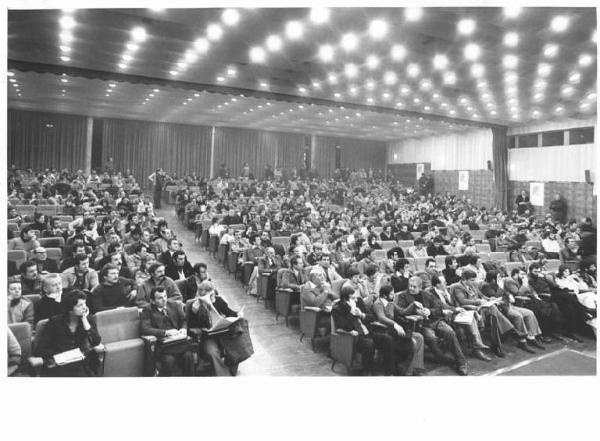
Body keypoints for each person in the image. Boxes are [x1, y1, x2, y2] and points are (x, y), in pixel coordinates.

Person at [396, 276, 468, 375]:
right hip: (420, 324)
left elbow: (439, 308)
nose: (411, 288)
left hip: (434, 320)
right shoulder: (403, 296)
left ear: (420, 288)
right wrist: (416, 311)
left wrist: (429, 311)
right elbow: (401, 312)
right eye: (410, 286)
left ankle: (461, 363)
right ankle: (442, 358)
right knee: (431, 337)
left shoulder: (427, 294)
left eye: (414, 287)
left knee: (450, 332)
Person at [33, 290, 102, 377]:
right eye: (80, 305)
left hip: (79, 364)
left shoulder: (88, 320)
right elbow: (40, 350)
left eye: (85, 304)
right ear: (70, 310)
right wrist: (62, 354)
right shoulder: (55, 322)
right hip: (59, 365)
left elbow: (96, 342)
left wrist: (84, 320)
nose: (84, 308)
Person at [332, 285, 396, 375]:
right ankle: (367, 371)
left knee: (388, 339)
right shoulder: (337, 308)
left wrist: (361, 314)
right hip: (354, 337)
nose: (355, 300)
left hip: (368, 332)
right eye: (352, 298)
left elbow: (372, 317)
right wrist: (352, 313)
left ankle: (390, 372)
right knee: (369, 344)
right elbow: (346, 327)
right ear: (345, 299)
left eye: (355, 297)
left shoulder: (359, 301)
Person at [186, 281, 247, 376]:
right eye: (208, 295)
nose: (212, 297)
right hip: (207, 336)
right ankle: (224, 376)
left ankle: (230, 368)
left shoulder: (217, 300)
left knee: (238, 346)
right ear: (201, 293)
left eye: (212, 294)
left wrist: (238, 314)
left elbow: (229, 312)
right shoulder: (193, 305)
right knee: (212, 353)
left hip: (222, 332)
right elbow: (190, 325)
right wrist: (194, 311)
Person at [450, 270, 514, 357]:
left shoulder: (472, 285)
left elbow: (481, 295)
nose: (474, 282)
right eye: (472, 280)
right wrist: (479, 301)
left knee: (493, 314)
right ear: (464, 279)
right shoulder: (457, 287)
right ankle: (507, 331)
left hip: (479, 309)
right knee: (493, 311)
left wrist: (489, 299)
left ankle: (496, 346)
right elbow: (462, 301)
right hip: (467, 310)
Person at [427, 275, 491, 361]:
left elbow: (455, 303)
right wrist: (456, 309)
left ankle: (476, 348)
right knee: (469, 319)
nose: (446, 283)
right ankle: (476, 346)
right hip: (443, 316)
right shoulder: (431, 293)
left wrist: (460, 309)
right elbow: (442, 306)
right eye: (443, 282)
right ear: (438, 285)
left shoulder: (447, 290)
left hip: (455, 312)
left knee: (471, 317)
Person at [480, 271, 546, 354]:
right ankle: (522, 341)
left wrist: (507, 294)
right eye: (498, 277)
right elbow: (496, 295)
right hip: (502, 309)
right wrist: (504, 291)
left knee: (529, 313)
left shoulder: (497, 284)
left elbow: (505, 293)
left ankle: (532, 337)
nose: (500, 278)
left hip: (509, 305)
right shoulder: (486, 286)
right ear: (493, 279)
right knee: (518, 316)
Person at [371, 284, 425, 376]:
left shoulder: (391, 302)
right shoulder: (378, 303)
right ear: (385, 295)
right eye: (392, 294)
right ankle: (408, 371)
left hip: (394, 330)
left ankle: (415, 368)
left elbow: (402, 311)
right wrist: (395, 324)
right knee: (413, 342)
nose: (393, 295)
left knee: (420, 337)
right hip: (385, 332)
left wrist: (413, 304)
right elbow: (381, 318)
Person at [140, 287, 194, 376]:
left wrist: (183, 329)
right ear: (153, 301)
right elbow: (145, 328)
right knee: (169, 360)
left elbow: (184, 320)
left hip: (179, 342)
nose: (164, 299)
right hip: (163, 346)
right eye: (160, 298)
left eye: (165, 296)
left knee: (188, 356)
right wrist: (165, 332)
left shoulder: (174, 305)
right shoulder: (147, 310)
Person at [528, 262, 588, 341]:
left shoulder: (542, 277)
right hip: (545, 297)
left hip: (552, 294)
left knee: (569, 307)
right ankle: (584, 309)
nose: (537, 273)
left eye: (539, 271)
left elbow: (553, 285)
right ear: (530, 271)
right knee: (566, 296)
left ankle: (570, 331)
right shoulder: (530, 280)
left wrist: (546, 277)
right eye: (535, 272)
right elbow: (533, 290)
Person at [503, 268, 561, 342]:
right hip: (520, 302)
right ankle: (540, 335)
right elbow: (518, 293)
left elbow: (532, 289)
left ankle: (548, 332)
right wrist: (524, 284)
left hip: (531, 299)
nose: (524, 276)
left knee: (550, 307)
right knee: (540, 311)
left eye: (524, 274)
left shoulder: (523, 280)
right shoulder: (510, 281)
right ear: (516, 274)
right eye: (522, 274)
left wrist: (535, 295)